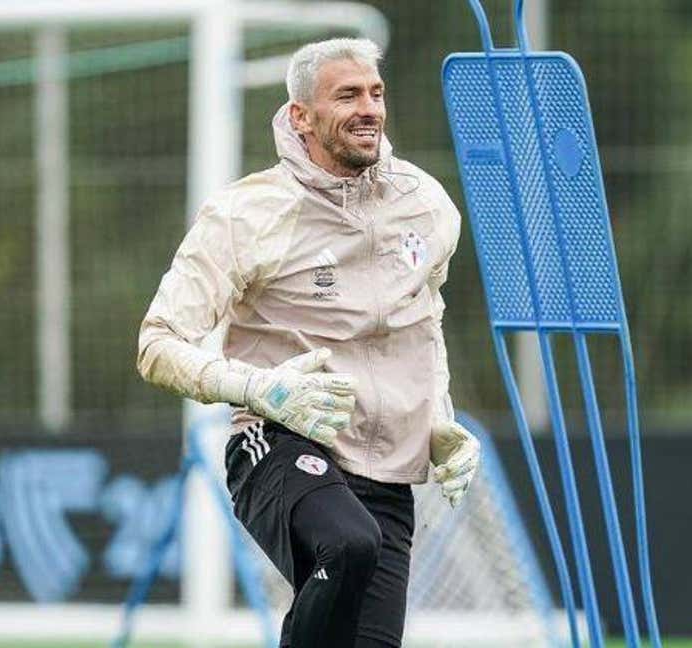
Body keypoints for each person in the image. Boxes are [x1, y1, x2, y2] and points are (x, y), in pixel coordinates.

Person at [136, 38, 481, 648]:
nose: (369, 108)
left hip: (390, 467)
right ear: (301, 116)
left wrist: (441, 420)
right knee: (348, 541)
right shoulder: (247, 213)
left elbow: (426, 323)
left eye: (376, 93)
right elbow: (158, 343)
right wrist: (260, 388)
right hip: (278, 441)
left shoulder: (426, 206)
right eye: (347, 95)